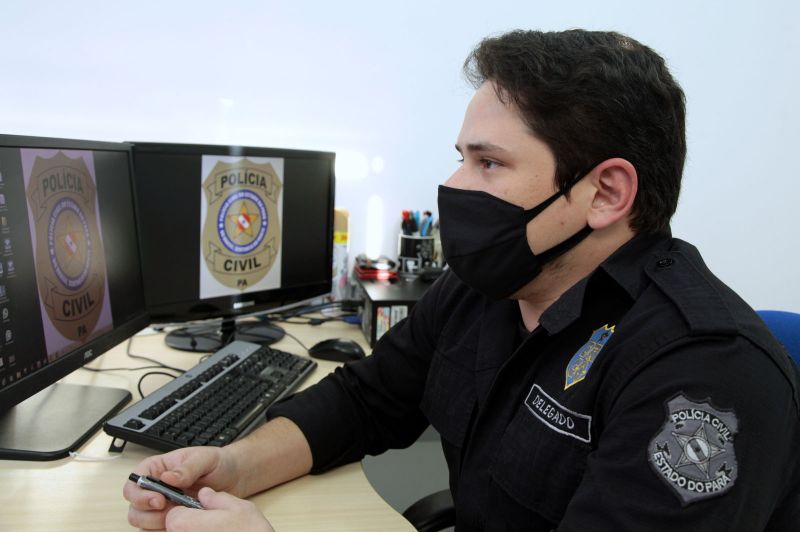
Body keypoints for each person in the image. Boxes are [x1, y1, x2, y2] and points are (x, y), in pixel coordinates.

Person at [125, 29, 800, 530]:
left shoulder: (706, 374)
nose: (453, 185)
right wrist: (235, 464)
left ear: (605, 194)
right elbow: (366, 399)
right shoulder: (490, 287)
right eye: (461, 158)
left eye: (489, 163)